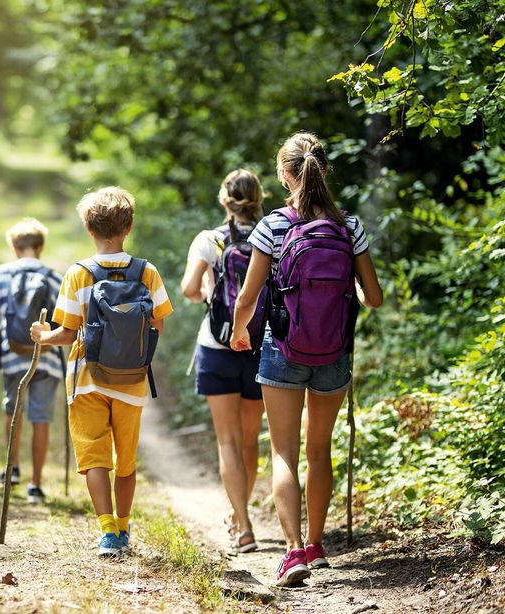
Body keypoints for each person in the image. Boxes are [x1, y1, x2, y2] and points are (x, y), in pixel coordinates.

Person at [230, 132, 383, 586]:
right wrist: (337, 296)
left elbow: (247, 297)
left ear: (283, 174)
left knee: (283, 452)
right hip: (334, 351)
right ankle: (317, 546)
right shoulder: (348, 226)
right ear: (324, 169)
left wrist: (240, 333)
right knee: (320, 450)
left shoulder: (274, 225)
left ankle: (292, 551)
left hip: (282, 348)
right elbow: (373, 297)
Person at [30, 187, 173, 556]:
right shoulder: (148, 272)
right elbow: (158, 325)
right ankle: (125, 528)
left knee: (94, 457)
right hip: (132, 381)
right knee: (126, 461)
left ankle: (107, 531)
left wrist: (42, 337)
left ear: (89, 230)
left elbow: (66, 332)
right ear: (128, 227)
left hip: (87, 380)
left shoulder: (78, 274)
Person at [179, 169, 266, 554]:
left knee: (227, 440)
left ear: (224, 200)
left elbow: (188, 289)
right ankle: (239, 514)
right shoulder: (273, 234)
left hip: (216, 346)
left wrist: (210, 300)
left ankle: (242, 525)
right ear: (259, 198)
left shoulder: (209, 239)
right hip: (260, 346)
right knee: (250, 440)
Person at [0, 218, 64, 504]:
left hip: (12, 355)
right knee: (42, 418)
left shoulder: (1, 274)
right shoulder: (52, 275)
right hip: (45, 357)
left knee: (13, 411)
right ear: (41, 246)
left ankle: (11, 470)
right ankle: (35, 485)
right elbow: (69, 317)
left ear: (14, 247)